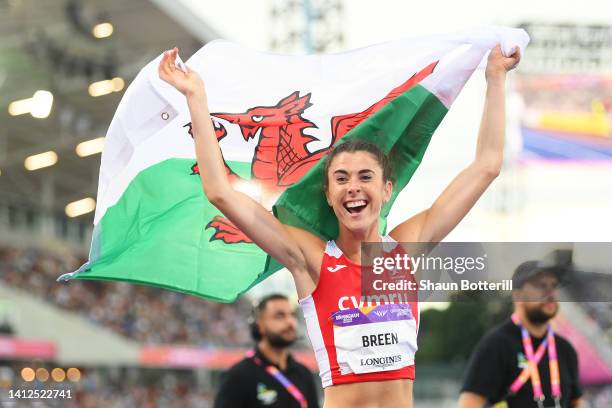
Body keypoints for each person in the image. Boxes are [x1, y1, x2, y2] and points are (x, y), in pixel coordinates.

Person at [159, 44, 520, 408]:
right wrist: (196, 97)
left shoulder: (406, 249)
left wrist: (495, 79)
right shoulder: (311, 260)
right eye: (342, 179)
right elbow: (219, 192)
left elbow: (486, 166)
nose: (353, 188)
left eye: (365, 177)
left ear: (385, 189)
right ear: (329, 195)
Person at [459, 261, 583, 408]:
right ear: (518, 295)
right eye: (541, 286)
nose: (550, 292)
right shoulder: (496, 345)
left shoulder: (565, 349)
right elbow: (469, 404)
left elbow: (575, 402)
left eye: (554, 285)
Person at [214, 294, 320, 408]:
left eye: (292, 315)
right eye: (279, 316)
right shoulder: (238, 376)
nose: (290, 322)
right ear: (259, 325)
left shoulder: (303, 374)